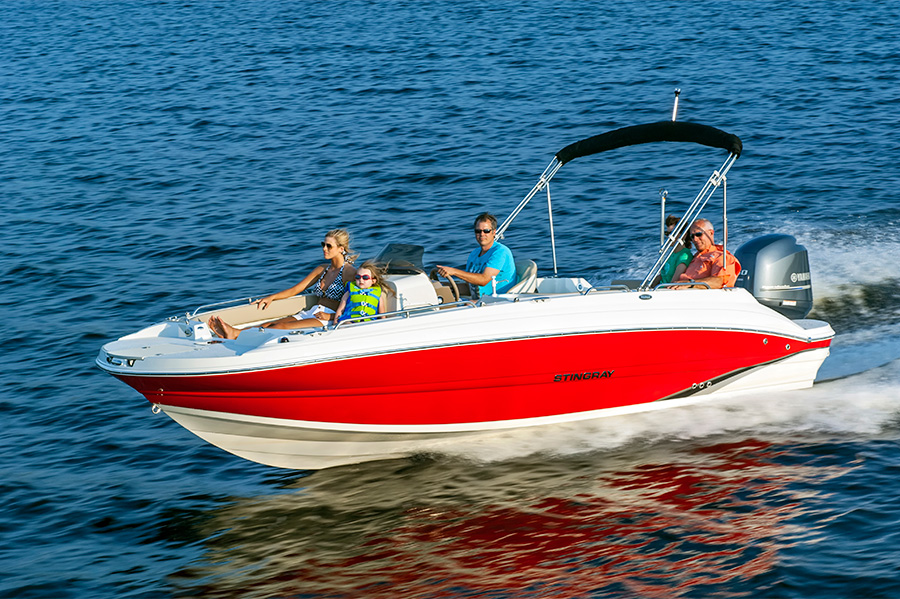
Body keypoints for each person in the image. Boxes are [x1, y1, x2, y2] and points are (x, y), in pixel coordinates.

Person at [209, 229, 358, 339]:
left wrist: (331, 317)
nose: (324, 249)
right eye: (323, 244)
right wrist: (271, 298)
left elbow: (356, 303)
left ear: (341, 249)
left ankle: (234, 335)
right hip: (311, 312)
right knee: (268, 325)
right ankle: (234, 333)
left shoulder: (349, 272)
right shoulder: (322, 269)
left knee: (279, 327)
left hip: (328, 318)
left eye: (329, 246)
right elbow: (296, 289)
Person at [435, 212, 516, 297]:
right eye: (478, 231)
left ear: (494, 232)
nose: (482, 234)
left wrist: (454, 271)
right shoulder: (474, 254)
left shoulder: (500, 252)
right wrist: (441, 287)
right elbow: (469, 287)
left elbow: (483, 280)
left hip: (497, 301)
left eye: (486, 231)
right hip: (476, 301)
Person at [673, 218, 741, 289]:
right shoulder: (694, 257)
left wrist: (690, 283)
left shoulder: (721, 257)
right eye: (692, 236)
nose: (695, 239)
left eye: (698, 234)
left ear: (711, 233)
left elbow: (719, 282)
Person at [658, 215, 694, 285]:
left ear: (684, 235)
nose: (669, 237)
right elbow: (662, 277)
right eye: (667, 233)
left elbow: (673, 284)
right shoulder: (672, 254)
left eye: (672, 234)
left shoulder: (684, 256)